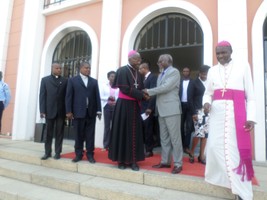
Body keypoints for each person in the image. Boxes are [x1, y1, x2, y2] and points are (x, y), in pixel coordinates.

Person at [203, 41, 256, 200]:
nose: (220, 56)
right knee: (213, 147)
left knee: (235, 151)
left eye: (224, 52)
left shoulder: (243, 66)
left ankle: (242, 191)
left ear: (231, 51)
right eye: (218, 53)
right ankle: (225, 179)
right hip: (217, 113)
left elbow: (251, 96)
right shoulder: (212, 70)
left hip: (236, 113)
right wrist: (206, 103)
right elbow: (208, 93)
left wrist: (251, 117)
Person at [108, 50, 149, 171]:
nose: (139, 62)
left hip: (135, 106)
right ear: (130, 59)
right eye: (137, 59)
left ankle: (133, 161)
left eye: (140, 60)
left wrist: (145, 93)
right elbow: (125, 89)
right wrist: (142, 95)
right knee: (122, 132)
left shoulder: (138, 73)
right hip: (123, 106)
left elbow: (141, 87)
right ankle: (121, 160)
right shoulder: (122, 71)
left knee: (134, 133)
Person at [144, 54, 183, 174]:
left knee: (175, 138)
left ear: (169, 61)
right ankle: (165, 161)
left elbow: (165, 87)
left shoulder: (174, 72)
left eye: (161, 61)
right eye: (158, 61)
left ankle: (178, 163)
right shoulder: (161, 74)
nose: (159, 62)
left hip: (172, 110)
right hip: (161, 110)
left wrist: (148, 91)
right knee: (164, 138)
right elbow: (161, 89)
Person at [65, 61, 102, 163]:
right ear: (80, 68)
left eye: (89, 68)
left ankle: (90, 155)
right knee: (78, 135)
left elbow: (97, 97)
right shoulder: (72, 80)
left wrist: (99, 110)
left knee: (90, 135)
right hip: (78, 112)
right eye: (86, 68)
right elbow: (68, 97)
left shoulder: (94, 81)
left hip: (91, 112)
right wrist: (68, 111)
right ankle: (78, 154)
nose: (88, 70)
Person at [39, 63, 67, 160]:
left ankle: (58, 152)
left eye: (60, 68)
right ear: (52, 69)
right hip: (49, 110)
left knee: (60, 133)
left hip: (61, 111)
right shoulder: (45, 80)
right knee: (48, 133)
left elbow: (67, 97)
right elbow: (42, 96)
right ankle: (47, 152)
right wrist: (42, 110)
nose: (59, 70)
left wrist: (68, 111)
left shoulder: (65, 81)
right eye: (57, 68)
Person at [187, 65, 210, 164]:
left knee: (205, 135)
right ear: (199, 73)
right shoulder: (193, 82)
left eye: (206, 74)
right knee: (198, 133)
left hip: (208, 112)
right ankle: (192, 153)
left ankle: (201, 156)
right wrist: (193, 113)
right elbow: (189, 98)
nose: (205, 76)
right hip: (198, 111)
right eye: (203, 74)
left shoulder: (210, 82)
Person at [139, 61, 157, 157]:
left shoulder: (152, 77)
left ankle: (149, 150)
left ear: (145, 68)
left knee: (148, 129)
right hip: (142, 107)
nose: (139, 70)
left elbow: (153, 93)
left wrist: (150, 107)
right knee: (143, 128)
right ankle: (144, 148)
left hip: (147, 108)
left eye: (140, 68)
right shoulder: (144, 78)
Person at [100, 71, 119, 151]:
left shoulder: (119, 86)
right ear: (108, 77)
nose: (113, 78)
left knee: (115, 126)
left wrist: (116, 100)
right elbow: (101, 96)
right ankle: (106, 145)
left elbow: (120, 96)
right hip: (107, 107)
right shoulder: (104, 86)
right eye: (111, 76)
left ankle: (114, 145)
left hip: (116, 107)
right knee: (107, 127)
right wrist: (108, 97)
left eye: (114, 76)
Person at [179, 67, 193, 154]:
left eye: (187, 71)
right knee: (180, 126)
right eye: (184, 71)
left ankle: (186, 146)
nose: (185, 72)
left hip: (189, 106)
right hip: (180, 105)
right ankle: (181, 144)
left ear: (190, 72)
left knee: (189, 127)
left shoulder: (193, 82)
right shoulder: (179, 82)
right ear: (182, 72)